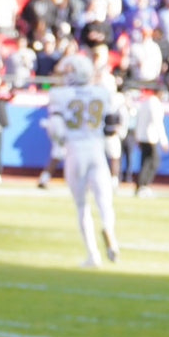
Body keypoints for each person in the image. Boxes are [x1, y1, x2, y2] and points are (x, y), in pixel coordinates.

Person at [45, 51, 121, 268]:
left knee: (81, 205)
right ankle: (109, 230)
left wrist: (55, 133)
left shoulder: (60, 95)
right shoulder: (102, 93)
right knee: (104, 200)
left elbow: (57, 130)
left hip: (75, 149)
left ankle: (93, 255)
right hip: (96, 148)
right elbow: (111, 126)